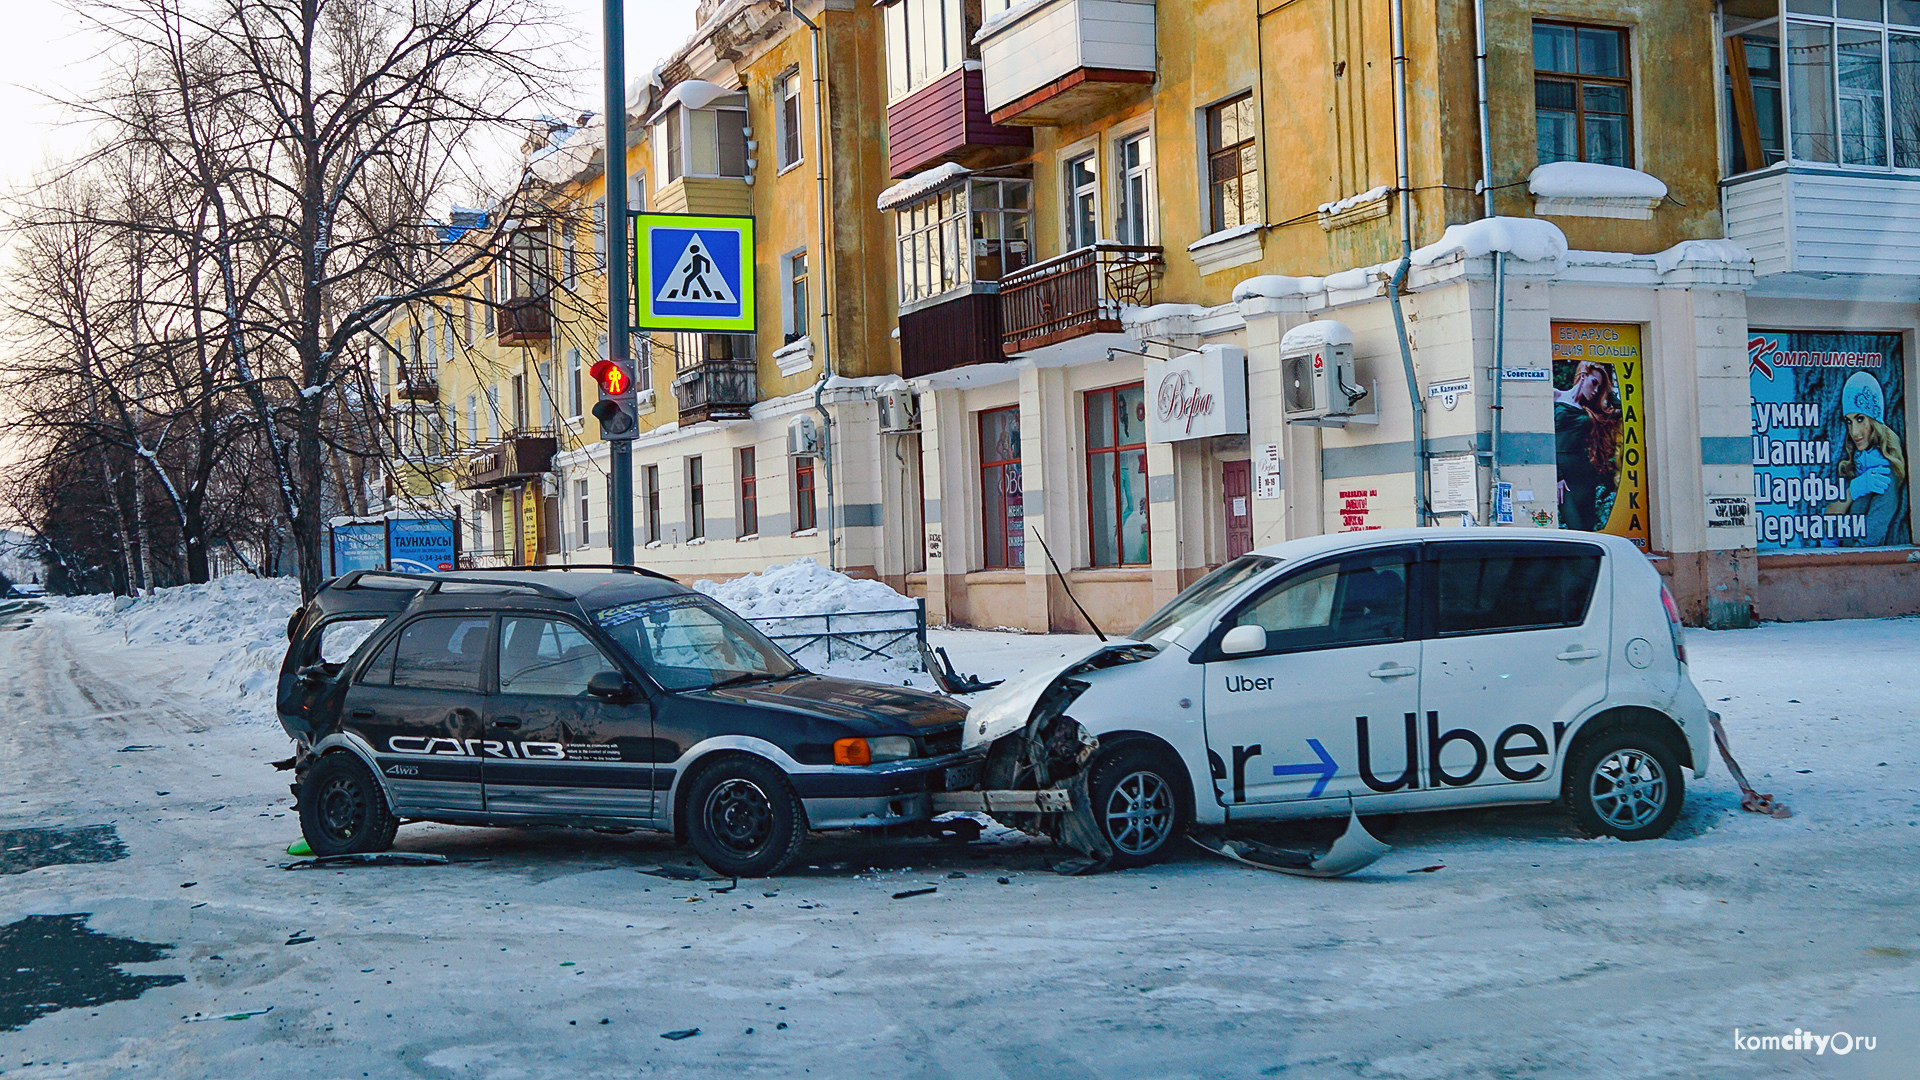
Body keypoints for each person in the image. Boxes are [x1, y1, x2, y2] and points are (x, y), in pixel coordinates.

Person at [1824, 371, 1908, 546]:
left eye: (1860, 419)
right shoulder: (1850, 464)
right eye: (1849, 421)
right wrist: (1853, 490)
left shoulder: (1885, 473)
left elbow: (1867, 544)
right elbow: (1825, 523)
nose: (1854, 432)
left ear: (1875, 420)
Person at [1554, 360, 1623, 532]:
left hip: (1584, 475)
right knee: (1575, 526)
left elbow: (1620, 409)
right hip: (1563, 476)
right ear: (1583, 376)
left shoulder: (1589, 411)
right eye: (1594, 383)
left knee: (1587, 529)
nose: (1596, 390)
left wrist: (1606, 391)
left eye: (1600, 387)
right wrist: (1556, 476)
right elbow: (1543, 439)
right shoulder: (1555, 395)